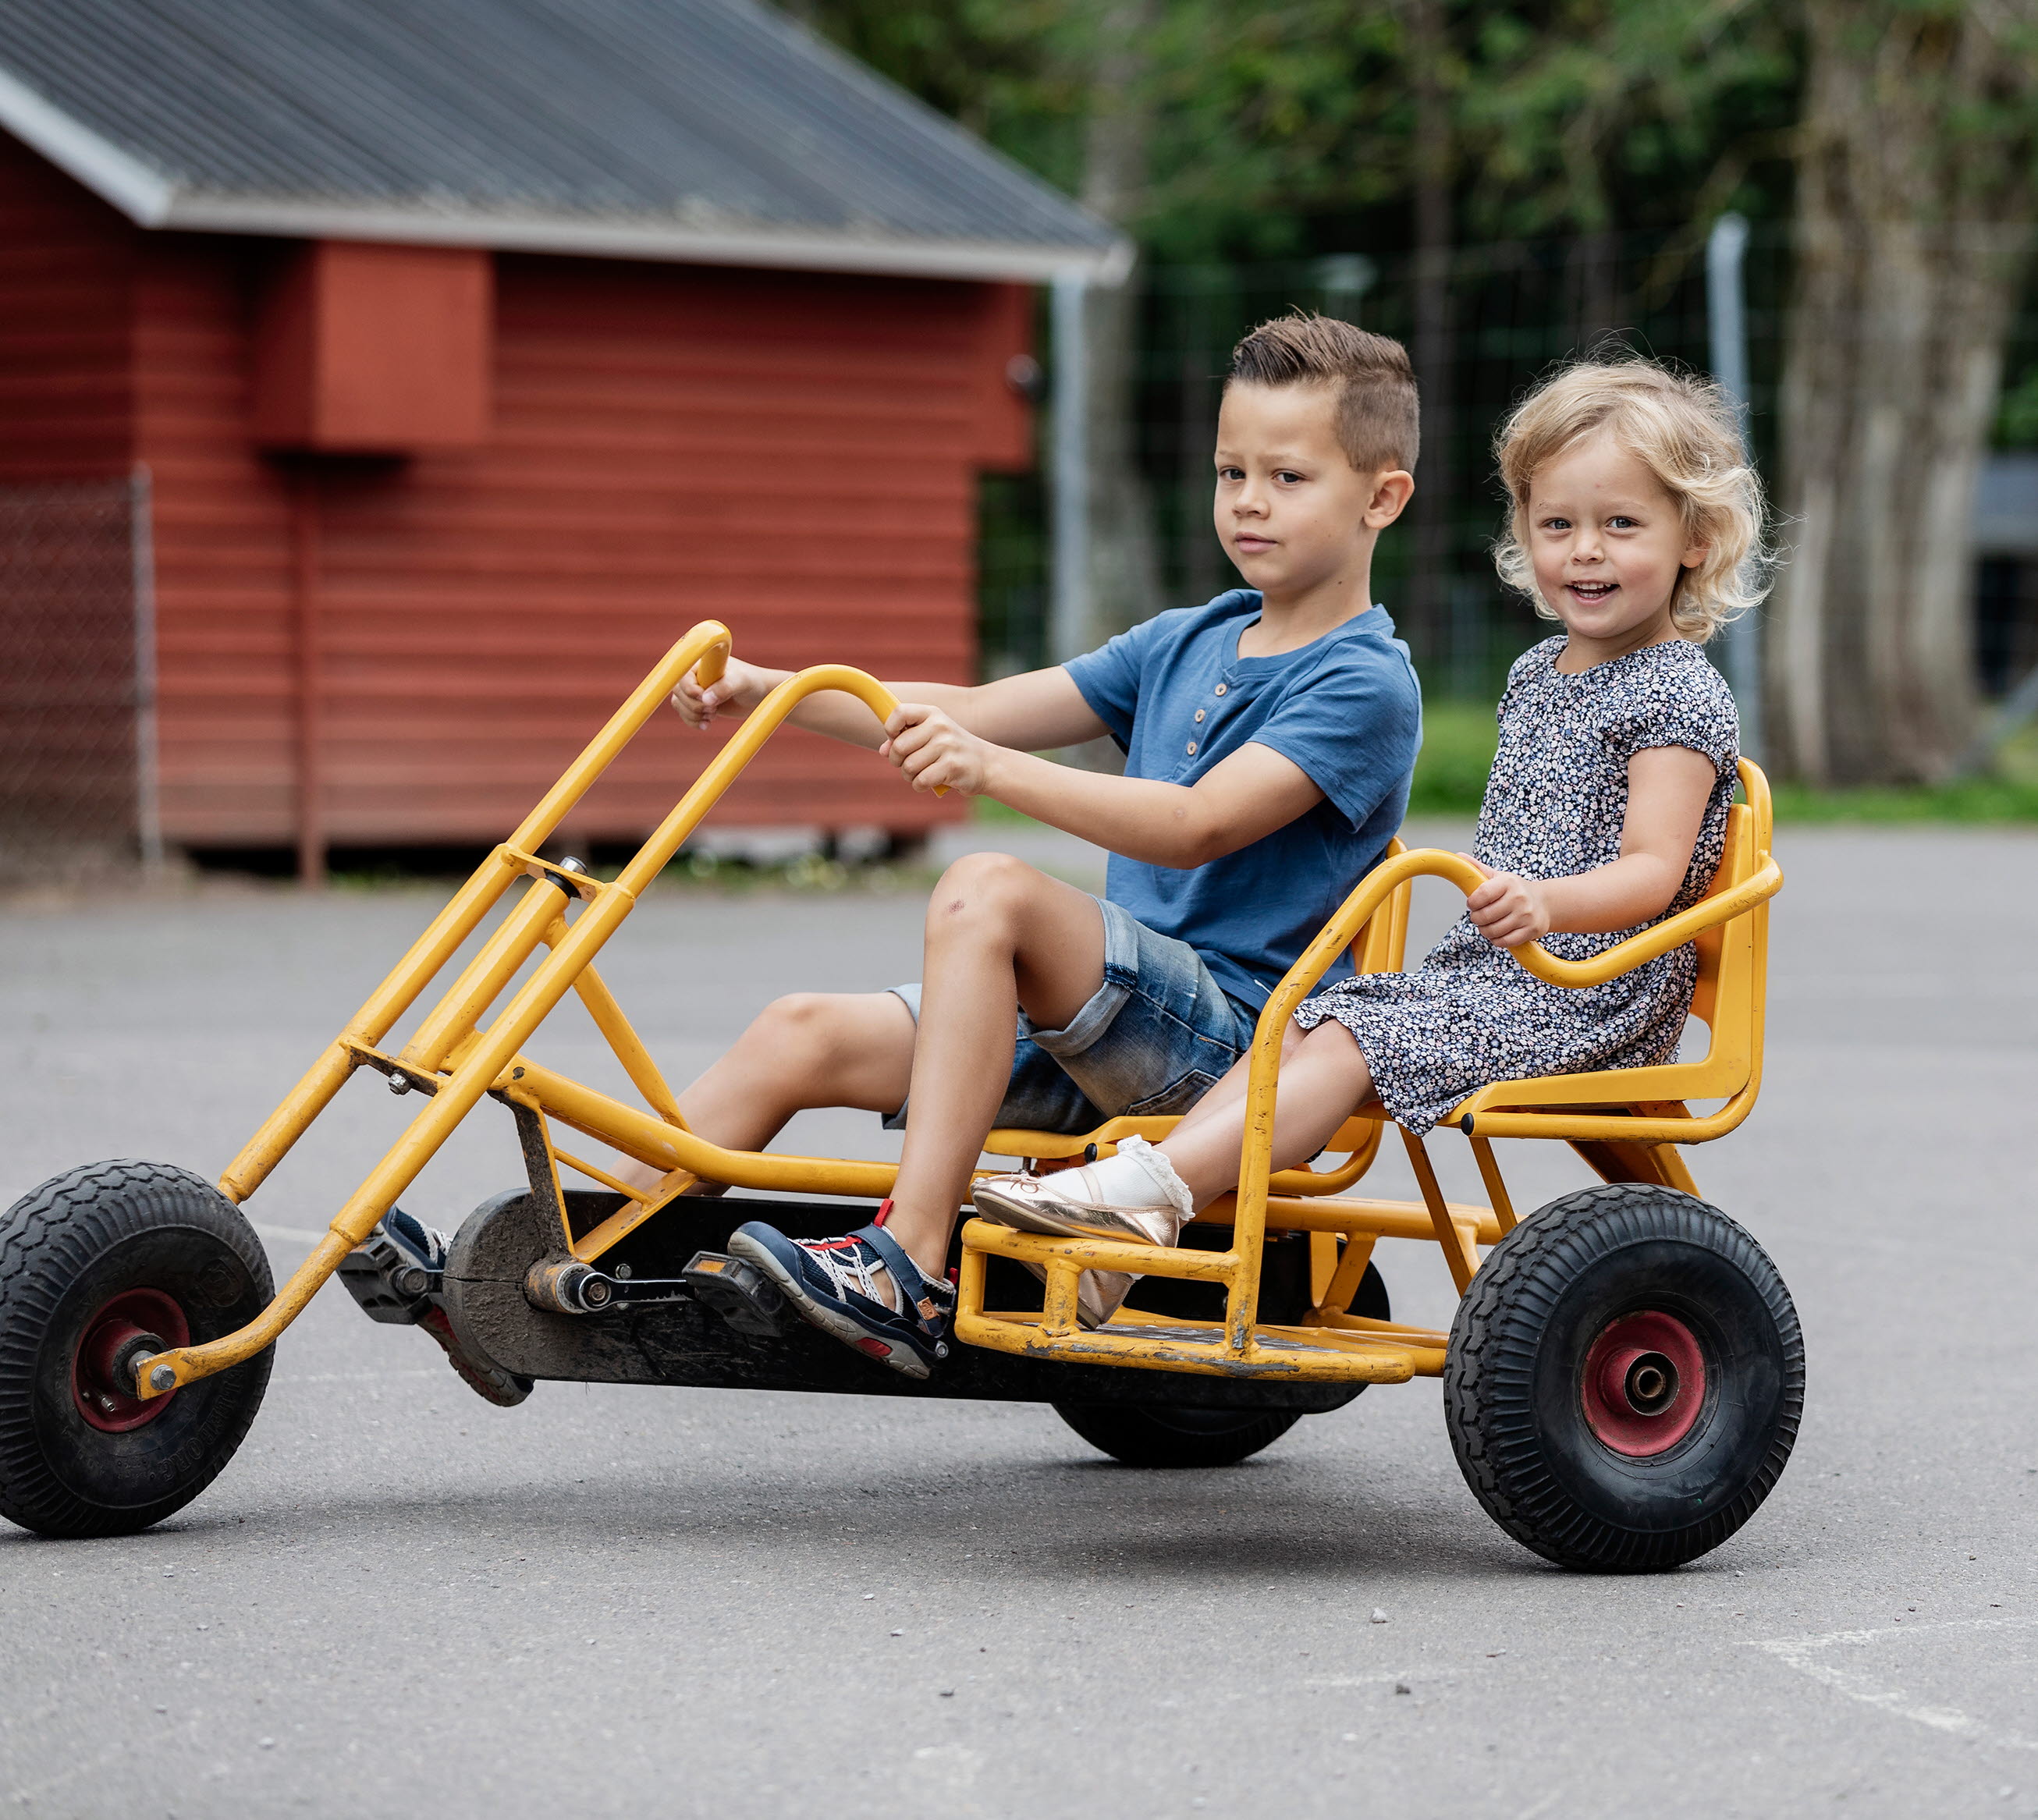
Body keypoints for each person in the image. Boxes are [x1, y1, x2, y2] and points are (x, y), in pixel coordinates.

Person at [705, 312, 1426, 1376]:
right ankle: (571, 1256)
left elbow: (1196, 828)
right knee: (795, 1030)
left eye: (1288, 476)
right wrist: (772, 692)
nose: (1249, 502)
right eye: (1231, 472)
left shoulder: (1363, 681)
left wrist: (986, 773)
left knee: (987, 890)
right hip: (1103, 1026)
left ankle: (907, 1260)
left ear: (1382, 496)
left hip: (1230, 1057)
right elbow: (977, 706)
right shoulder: (1187, 637)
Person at [975, 356, 1765, 1284]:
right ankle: (1151, 1202)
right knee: (1308, 1018)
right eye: (1556, 524)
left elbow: (1654, 871)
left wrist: (1546, 906)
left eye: (1619, 525)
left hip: (1590, 984)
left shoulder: (1675, 691)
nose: (1583, 550)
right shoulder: (1538, 671)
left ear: (1696, 538)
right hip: (1503, 974)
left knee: (1357, 1034)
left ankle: (1149, 1191)